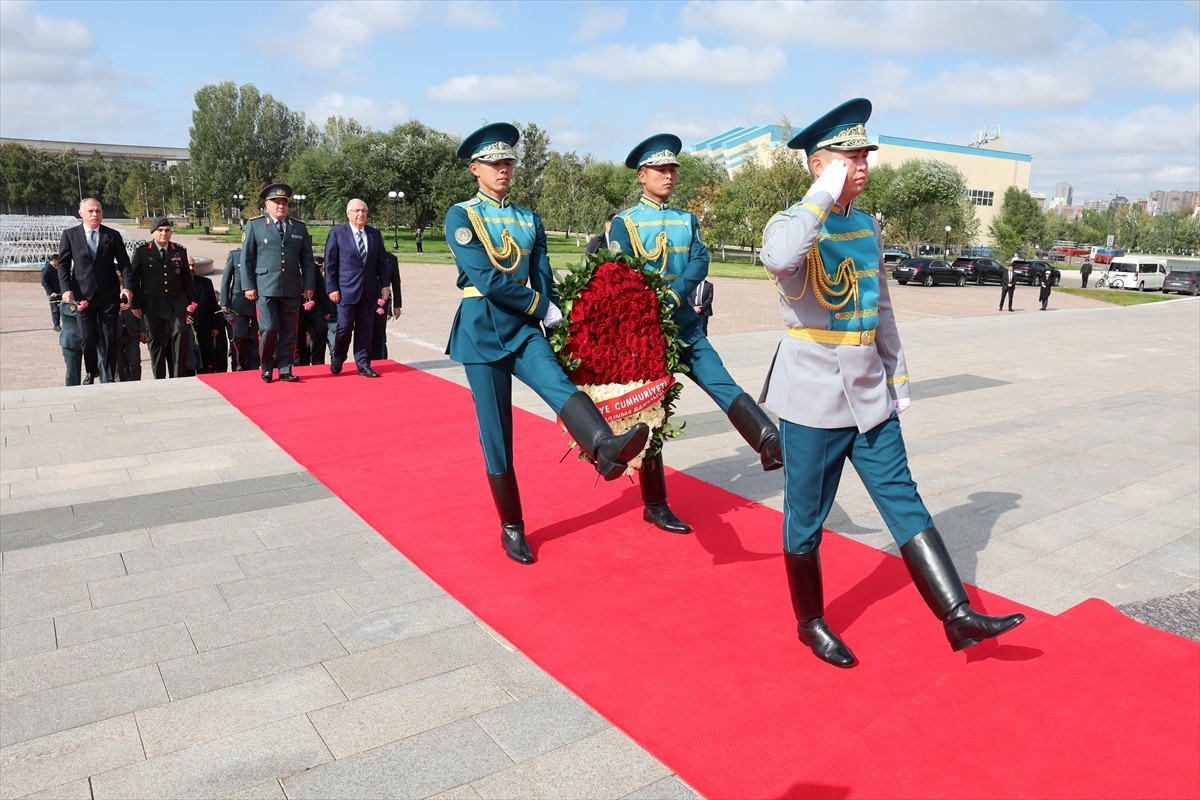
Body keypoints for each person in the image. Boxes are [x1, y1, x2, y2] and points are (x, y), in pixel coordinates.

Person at [760, 97, 1025, 668]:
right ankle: (809, 623)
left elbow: (881, 309)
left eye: (864, 156)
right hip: (811, 397)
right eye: (848, 157)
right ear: (817, 164)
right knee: (805, 518)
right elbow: (782, 259)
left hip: (868, 390)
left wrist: (896, 374)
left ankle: (956, 616)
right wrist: (821, 194)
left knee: (903, 498)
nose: (862, 165)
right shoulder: (792, 221)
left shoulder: (866, 226)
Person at [446, 122, 650, 565]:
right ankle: (512, 526)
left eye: (508, 162)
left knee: (558, 384)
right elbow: (484, 277)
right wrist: (541, 306)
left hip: (523, 327)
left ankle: (605, 448)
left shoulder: (528, 218)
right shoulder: (461, 215)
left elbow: (542, 276)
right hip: (481, 329)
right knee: (496, 433)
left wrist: (556, 320)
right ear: (475, 169)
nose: (504, 169)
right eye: (495, 163)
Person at [608, 134, 782, 535]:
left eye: (672, 170)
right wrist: (654, 306)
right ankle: (655, 504)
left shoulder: (687, 219)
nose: (669, 176)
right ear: (642, 176)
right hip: (647, 333)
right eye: (661, 170)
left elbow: (699, 260)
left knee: (721, 380)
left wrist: (674, 294)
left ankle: (769, 443)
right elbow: (624, 276)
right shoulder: (626, 223)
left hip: (685, 324)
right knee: (654, 416)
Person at [239, 182, 317, 383]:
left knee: (290, 331)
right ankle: (266, 366)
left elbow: (307, 260)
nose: (281, 206)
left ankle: (285, 368)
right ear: (267, 204)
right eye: (276, 202)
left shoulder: (298, 227)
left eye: (284, 203)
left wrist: (309, 285)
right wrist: (248, 285)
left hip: (291, 287)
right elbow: (246, 258)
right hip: (265, 287)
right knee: (269, 328)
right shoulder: (255, 225)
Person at [56, 198, 133, 384]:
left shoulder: (112, 235)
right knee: (86, 337)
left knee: (110, 337)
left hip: (108, 295)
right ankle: (91, 372)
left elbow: (124, 263)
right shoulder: (70, 235)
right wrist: (65, 289)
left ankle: (108, 374)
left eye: (98, 211)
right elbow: (63, 265)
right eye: (90, 211)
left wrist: (128, 287)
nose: (94, 214)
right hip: (83, 295)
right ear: (80, 213)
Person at [326, 199, 391, 377]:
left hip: (369, 291)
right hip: (345, 291)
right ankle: (338, 357)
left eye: (363, 211)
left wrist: (385, 285)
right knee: (345, 327)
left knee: (365, 329)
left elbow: (381, 263)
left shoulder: (374, 235)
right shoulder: (337, 234)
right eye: (356, 211)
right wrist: (332, 288)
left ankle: (363, 364)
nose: (360, 214)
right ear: (348, 213)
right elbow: (330, 264)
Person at [128, 218, 194, 379]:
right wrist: (135, 304)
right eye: (160, 230)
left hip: (177, 303)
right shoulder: (143, 251)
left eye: (167, 230)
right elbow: (134, 280)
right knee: (156, 342)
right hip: (153, 304)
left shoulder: (179, 251)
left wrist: (192, 304)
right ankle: (159, 378)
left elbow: (187, 280)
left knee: (180, 335)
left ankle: (178, 377)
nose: (164, 233)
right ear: (153, 232)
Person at [220, 248, 260, 372]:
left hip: (258, 302)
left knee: (256, 337)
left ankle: (254, 364)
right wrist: (224, 302)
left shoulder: (262, 253)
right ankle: (241, 362)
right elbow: (226, 280)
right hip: (239, 303)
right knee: (240, 336)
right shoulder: (235, 255)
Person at [190, 258, 224, 373]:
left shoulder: (206, 283)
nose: (191, 268)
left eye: (193, 265)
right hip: (187, 328)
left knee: (205, 360)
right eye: (188, 265)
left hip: (205, 327)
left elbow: (213, 306)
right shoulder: (176, 283)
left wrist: (215, 326)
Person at [371, 250, 403, 361]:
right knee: (365, 331)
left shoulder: (391, 259)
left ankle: (380, 359)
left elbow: (396, 283)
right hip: (365, 300)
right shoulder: (366, 257)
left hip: (382, 302)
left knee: (379, 332)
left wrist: (397, 305)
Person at [115, 294, 145, 381]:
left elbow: (139, 309)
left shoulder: (130, 289)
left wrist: (142, 330)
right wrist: (116, 308)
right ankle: (122, 384)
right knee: (119, 364)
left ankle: (136, 382)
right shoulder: (109, 289)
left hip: (132, 332)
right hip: (116, 334)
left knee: (135, 362)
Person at [41, 254, 62, 331]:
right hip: (52, 293)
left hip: (58, 292)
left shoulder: (54, 268)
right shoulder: (47, 269)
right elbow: (44, 282)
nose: (59, 262)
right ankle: (56, 325)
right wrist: (51, 292)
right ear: (54, 260)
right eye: (58, 261)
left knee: (60, 308)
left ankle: (60, 324)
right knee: (55, 309)